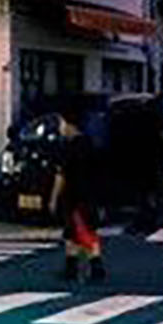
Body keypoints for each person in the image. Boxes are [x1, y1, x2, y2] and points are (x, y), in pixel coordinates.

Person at [50, 117, 104, 285]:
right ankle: (88, 266)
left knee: (73, 231)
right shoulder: (91, 145)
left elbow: (61, 175)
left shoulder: (67, 147)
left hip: (72, 195)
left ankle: (80, 267)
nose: (61, 128)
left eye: (62, 124)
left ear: (70, 125)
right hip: (90, 194)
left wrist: (53, 198)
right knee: (87, 229)